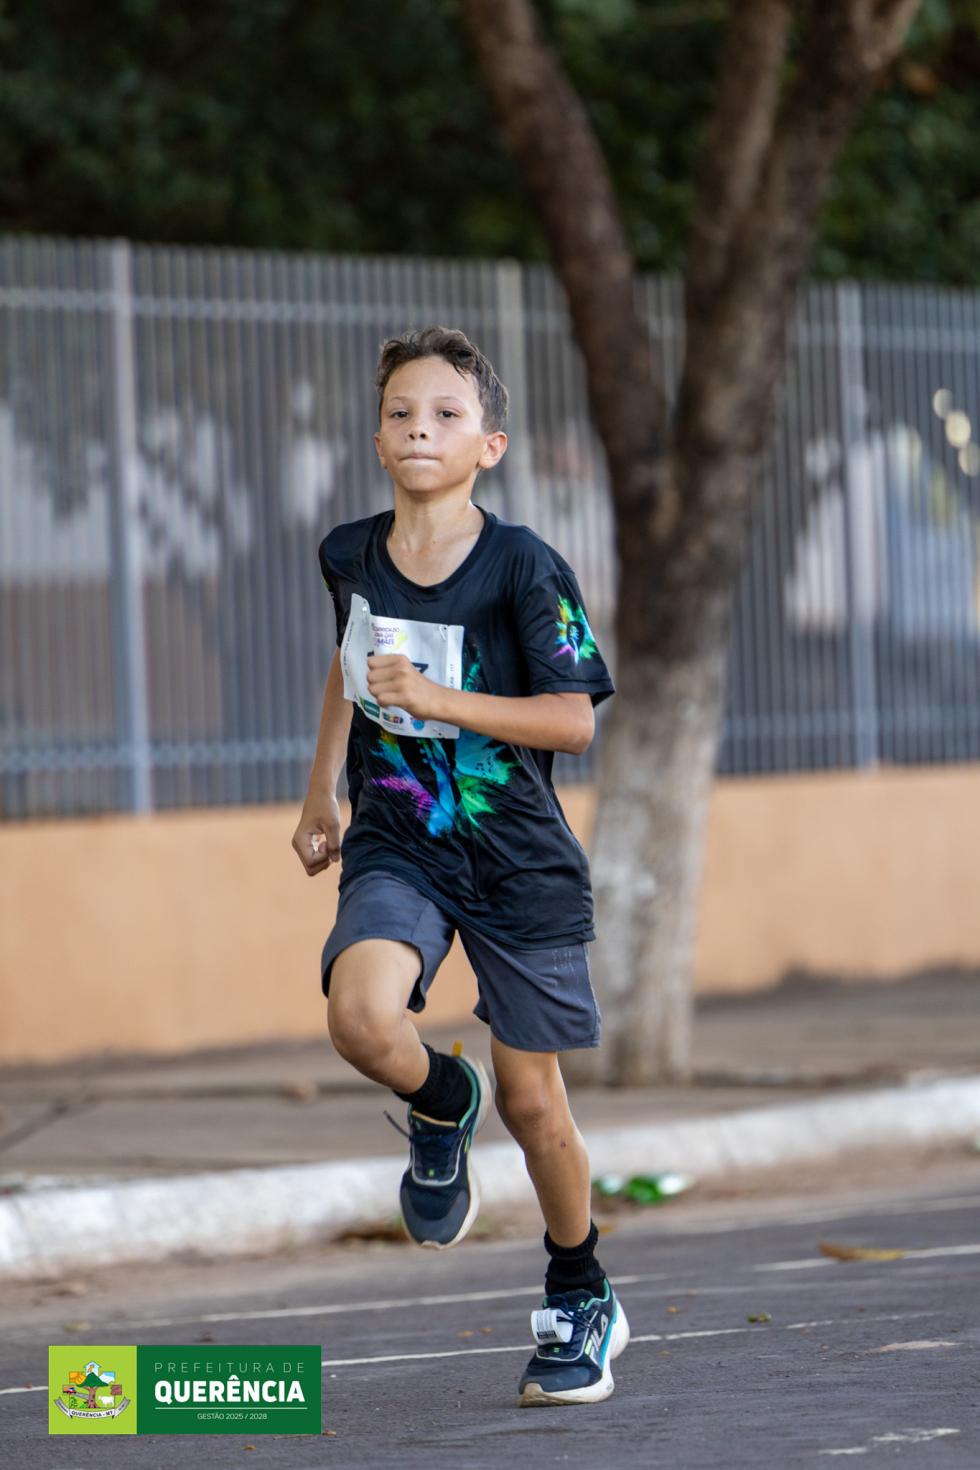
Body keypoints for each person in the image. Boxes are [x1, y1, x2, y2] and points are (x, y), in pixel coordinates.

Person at [292, 325, 629, 1406]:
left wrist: (441, 699)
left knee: (535, 1107)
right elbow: (349, 664)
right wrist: (321, 790)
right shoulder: (349, 552)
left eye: (445, 415)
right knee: (360, 1018)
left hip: (517, 860)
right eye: (400, 413)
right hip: (398, 840)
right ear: (377, 437)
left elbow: (572, 721)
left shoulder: (525, 567)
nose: (418, 430)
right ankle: (441, 1101)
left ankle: (580, 1289)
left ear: (489, 445)